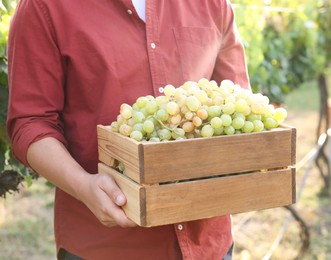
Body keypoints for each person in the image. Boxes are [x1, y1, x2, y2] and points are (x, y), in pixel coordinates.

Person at [6, 0, 250, 259]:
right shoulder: (44, 6)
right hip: (106, 246)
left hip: (209, 243)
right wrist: (83, 186)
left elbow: (237, 103)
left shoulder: (214, 4)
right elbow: (30, 122)